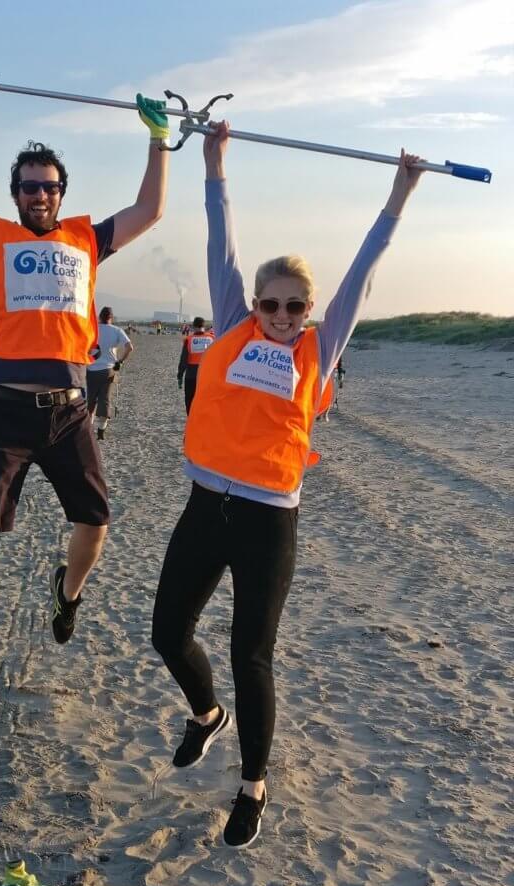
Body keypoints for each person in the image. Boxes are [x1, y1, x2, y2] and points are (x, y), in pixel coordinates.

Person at [150, 120, 423, 848]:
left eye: (292, 306)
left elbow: (364, 273)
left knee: (252, 653)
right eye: (270, 303)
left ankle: (251, 785)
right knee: (167, 633)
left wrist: (398, 196)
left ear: (309, 313)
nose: (277, 316)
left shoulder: (319, 352)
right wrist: (214, 161)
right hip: (207, 506)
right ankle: (207, 715)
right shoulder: (235, 322)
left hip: (270, 520)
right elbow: (222, 244)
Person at [0, 67, 170, 681]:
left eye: (49, 187)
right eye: (29, 187)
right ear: (15, 193)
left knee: (95, 525)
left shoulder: (87, 238)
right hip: (6, 409)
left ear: (61, 193)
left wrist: (156, 139)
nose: (40, 195)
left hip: (69, 409)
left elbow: (150, 208)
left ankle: (68, 593)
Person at [86, 306, 133, 441]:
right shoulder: (117, 330)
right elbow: (129, 347)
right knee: (105, 399)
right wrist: (120, 361)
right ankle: (101, 429)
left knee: (91, 401)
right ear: (111, 318)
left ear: (100, 317)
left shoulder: (92, 330)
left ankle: (89, 430)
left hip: (92, 369)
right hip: (109, 370)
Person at [177, 316, 215, 414]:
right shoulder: (212, 338)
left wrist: (180, 375)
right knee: (205, 400)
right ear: (204, 326)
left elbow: (183, 360)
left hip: (191, 376)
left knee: (190, 399)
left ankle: (191, 419)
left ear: (193, 326)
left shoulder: (189, 340)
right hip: (207, 375)